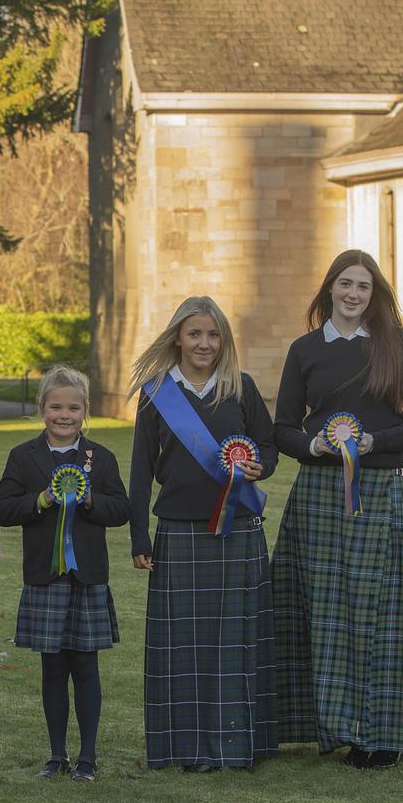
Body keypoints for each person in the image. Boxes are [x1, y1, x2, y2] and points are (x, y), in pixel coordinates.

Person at [271, 249, 403, 769]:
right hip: (318, 497)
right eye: (345, 284)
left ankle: (383, 735)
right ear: (329, 288)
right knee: (324, 613)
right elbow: (283, 428)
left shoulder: (399, 345)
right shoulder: (305, 350)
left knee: (384, 616)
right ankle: (325, 724)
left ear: (375, 295)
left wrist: (374, 442)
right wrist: (314, 446)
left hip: (382, 491)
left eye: (364, 287)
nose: (353, 294)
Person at [128, 297, 279, 772]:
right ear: (178, 337)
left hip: (239, 530)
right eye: (195, 334)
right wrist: (138, 536)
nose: (204, 344)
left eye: (213, 335)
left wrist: (261, 467)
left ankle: (237, 747)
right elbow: (139, 471)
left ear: (224, 340)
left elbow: (269, 447)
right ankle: (186, 748)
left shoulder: (241, 389)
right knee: (184, 649)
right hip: (178, 533)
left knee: (235, 644)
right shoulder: (156, 393)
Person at [0, 366, 128, 782]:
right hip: (44, 577)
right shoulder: (22, 457)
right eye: (55, 407)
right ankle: (56, 755)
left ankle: (87, 757)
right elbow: (1, 508)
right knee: (53, 668)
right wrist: (43, 499)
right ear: (42, 409)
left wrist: (89, 503)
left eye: (73, 407)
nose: (64, 415)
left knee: (86, 667)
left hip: (87, 578)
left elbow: (121, 509)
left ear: (85, 411)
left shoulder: (100, 458)